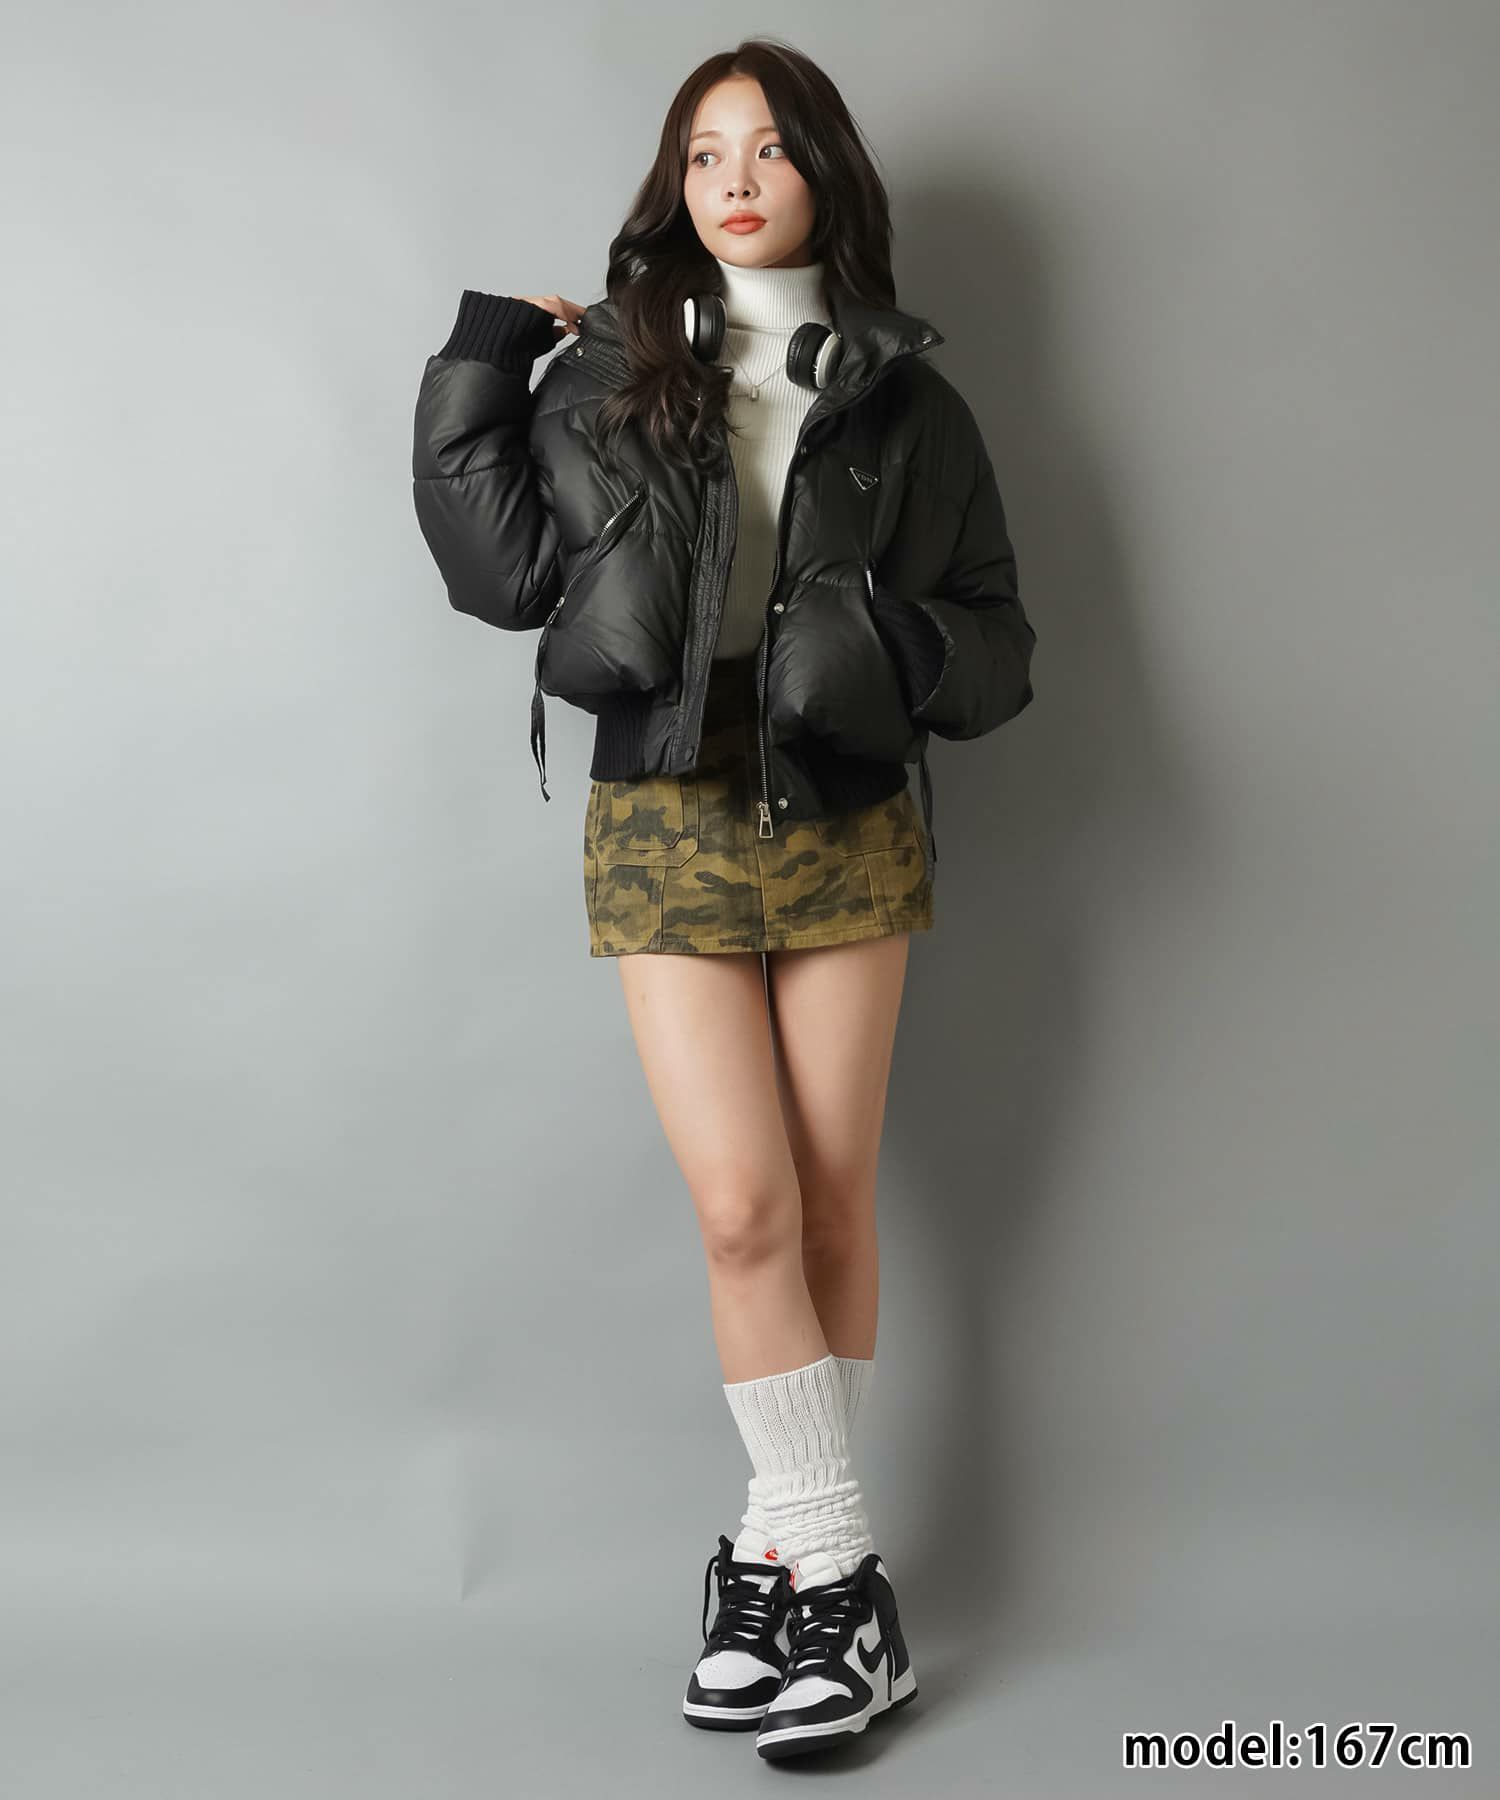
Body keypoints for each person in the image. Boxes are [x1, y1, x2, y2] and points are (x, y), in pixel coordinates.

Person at [411, 37, 1036, 1761]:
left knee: (829, 1207)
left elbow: (999, 639)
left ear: (826, 170)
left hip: (844, 810)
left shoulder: (910, 403)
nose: (735, 181)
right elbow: (503, 575)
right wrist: (481, 365)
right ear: (675, 185)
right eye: (704, 154)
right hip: (667, 814)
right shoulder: (612, 379)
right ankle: (845, 1587)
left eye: (767, 149)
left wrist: (885, 640)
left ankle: (766, 1567)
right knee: (746, 1212)